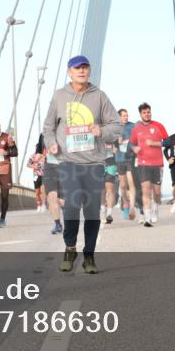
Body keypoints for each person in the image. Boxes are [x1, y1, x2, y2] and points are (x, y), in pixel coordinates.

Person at [43, 55, 121, 274]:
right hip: (68, 161)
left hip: (95, 162)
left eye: (85, 67)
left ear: (89, 71)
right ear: (69, 72)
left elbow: (117, 125)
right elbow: (48, 127)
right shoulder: (59, 96)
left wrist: (102, 131)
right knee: (71, 206)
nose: (81, 71)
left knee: (92, 211)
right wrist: (51, 144)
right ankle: (70, 248)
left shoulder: (99, 96)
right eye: (77, 68)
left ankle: (89, 255)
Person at [130, 103, 168, 227]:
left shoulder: (158, 125)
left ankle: (156, 207)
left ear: (151, 112)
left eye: (148, 112)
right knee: (146, 190)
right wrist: (134, 148)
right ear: (140, 114)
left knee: (157, 192)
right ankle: (147, 218)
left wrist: (155, 143)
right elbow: (131, 144)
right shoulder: (136, 129)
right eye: (144, 112)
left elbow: (168, 141)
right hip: (143, 163)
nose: (147, 114)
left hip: (158, 164)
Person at [115, 108, 138, 220]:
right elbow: (108, 140)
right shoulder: (115, 128)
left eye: (126, 115)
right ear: (119, 117)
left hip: (130, 159)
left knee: (131, 183)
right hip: (119, 159)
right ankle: (125, 204)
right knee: (123, 186)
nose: (125, 117)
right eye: (123, 115)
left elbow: (138, 138)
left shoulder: (133, 126)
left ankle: (132, 207)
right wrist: (116, 141)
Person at [42, 137, 64, 235]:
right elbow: (39, 151)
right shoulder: (43, 135)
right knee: (51, 197)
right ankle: (57, 224)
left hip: (65, 167)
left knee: (64, 201)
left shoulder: (66, 131)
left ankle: (69, 222)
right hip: (49, 168)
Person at [28, 135, 47, 212]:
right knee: (37, 192)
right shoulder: (32, 156)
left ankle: (43, 205)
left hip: (43, 175)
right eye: (37, 148)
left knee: (43, 190)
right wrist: (34, 166)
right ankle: (38, 205)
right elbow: (28, 164)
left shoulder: (44, 156)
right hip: (36, 176)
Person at [101, 142, 118, 224]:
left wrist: (116, 149)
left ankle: (109, 214)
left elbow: (119, 147)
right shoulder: (95, 135)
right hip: (99, 164)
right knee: (101, 190)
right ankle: (103, 211)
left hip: (111, 164)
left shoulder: (113, 136)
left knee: (110, 189)